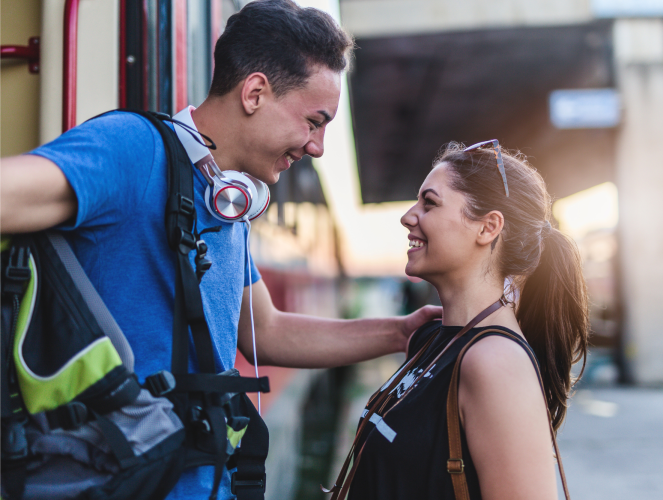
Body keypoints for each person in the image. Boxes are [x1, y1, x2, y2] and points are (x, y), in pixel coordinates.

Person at [0, 1, 440, 498]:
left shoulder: (226, 200)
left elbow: (266, 331)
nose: (316, 145)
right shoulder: (132, 149)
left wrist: (401, 332)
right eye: (314, 122)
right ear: (255, 92)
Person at [339, 142, 589, 500]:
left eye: (429, 203)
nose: (408, 216)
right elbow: (272, 337)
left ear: (488, 228)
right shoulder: (433, 341)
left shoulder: (496, 363)